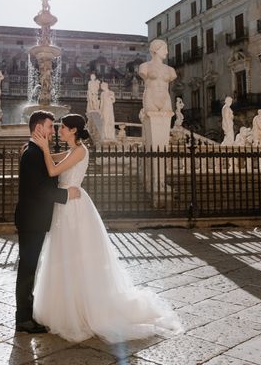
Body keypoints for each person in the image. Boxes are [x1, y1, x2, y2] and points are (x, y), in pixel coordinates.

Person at [31, 114, 181, 343]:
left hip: (74, 207)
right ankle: (69, 304)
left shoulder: (80, 151)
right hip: (65, 205)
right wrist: (39, 147)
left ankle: (83, 308)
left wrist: (42, 147)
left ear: (73, 131)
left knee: (76, 255)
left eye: (62, 128)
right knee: (65, 256)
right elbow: (52, 159)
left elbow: (52, 171)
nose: (59, 131)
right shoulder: (72, 150)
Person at [15, 110, 81, 334]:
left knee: (30, 266)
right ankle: (23, 318)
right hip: (32, 219)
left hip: (35, 219)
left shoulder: (35, 150)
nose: (53, 131)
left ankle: (26, 314)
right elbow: (39, 189)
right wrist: (65, 195)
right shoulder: (32, 153)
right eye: (50, 127)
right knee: (27, 267)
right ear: (38, 128)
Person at [138, 39, 177, 113]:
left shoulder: (170, 70)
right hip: (150, 98)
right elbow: (143, 74)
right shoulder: (144, 67)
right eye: (164, 49)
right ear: (155, 50)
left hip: (165, 99)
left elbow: (173, 77)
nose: (167, 52)